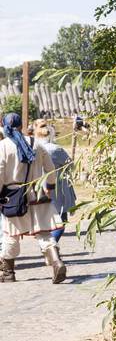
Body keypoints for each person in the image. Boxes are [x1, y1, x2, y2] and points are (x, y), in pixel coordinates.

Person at [0, 112, 66, 283]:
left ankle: (8, 273)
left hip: (13, 196)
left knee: (11, 234)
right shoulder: (36, 144)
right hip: (37, 193)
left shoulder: (3, 146)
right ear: (21, 126)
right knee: (43, 232)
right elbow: (50, 169)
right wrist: (50, 187)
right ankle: (56, 262)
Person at [32, 121, 77, 243]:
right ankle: (50, 247)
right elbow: (71, 165)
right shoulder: (56, 149)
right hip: (56, 188)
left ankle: (49, 248)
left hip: (37, 188)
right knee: (60, 222)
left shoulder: (31, 149)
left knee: (44, 221)